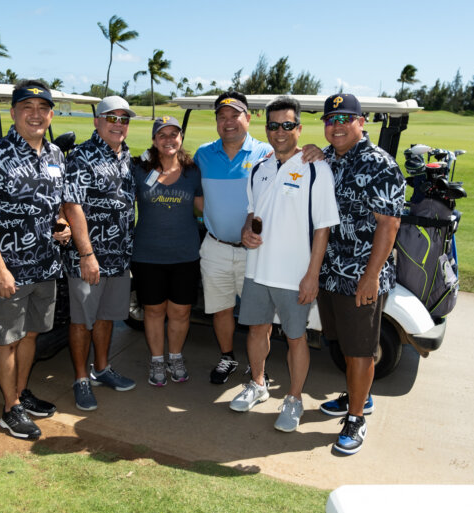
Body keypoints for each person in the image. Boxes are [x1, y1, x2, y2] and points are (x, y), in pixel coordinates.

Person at [229, 97, 339, 434]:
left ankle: (293, 399)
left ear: (299, 128)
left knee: (295, 338)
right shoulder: (259, 168)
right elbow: (253, 211)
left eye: (288, 125)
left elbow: (323, 227)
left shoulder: (316, 168)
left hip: (295, 274)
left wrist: (312, 275)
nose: (280, 131)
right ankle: (258, 383)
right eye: (274, 125)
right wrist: (246, 230)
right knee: (256, 330)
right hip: (257, 269)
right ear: (267, 129)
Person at [0, 80, 71, 439]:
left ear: (51, 114)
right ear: (13, 112)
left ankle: (20, 393)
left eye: (42, 108)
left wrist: (62, 224)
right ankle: (9, 409)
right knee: (8, 339)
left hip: (45, 264)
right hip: (10, 269)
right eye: (27, 108)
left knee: (31, 334)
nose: (35, 115)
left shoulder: (56, 155)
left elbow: (55, 205)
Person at [316, 94, 405, 455]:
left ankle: (356, 418)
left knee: (360, 351)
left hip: (360, 277)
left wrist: (371, 277)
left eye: (345, 119)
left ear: (361, 122)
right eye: (331, 120)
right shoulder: (326, 159)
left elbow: (389, 224)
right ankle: (358, 396)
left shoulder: (379, 164)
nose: (336, 126)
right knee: (341, 343)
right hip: (329, 272)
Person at [62, 96, 137, 411]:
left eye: (124, 119)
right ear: (97, 122)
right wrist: (86, 254)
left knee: (107, 316)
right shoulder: (82, 156)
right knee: (82, 320)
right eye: (111, 118)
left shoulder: (127, 156)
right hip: (89, 257)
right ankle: (81, 379)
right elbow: (72, 205)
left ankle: (101, 369)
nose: (118, 124)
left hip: (118, 255)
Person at [193, 92, 272, 385]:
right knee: (221, 308)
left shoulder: (266, 152)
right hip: (216, 247)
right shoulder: (203, 154)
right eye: (222, 117)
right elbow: (197, 197)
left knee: (259, 315)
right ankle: (227, 357)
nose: (228, 122)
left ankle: (257, 366)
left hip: (256, 251)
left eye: (235, 116)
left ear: (248, 118)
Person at [130, 116, 204, 387]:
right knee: (153, 311)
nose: (169, 139)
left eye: (174, 134)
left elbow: (204, 208)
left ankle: (175, 357)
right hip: (147, 254)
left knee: (181, 312)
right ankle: (157, 360)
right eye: (162, 135)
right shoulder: (139, 170)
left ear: (181, 138)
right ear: (154, 140)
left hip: (185, 254)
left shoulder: (192, 172)